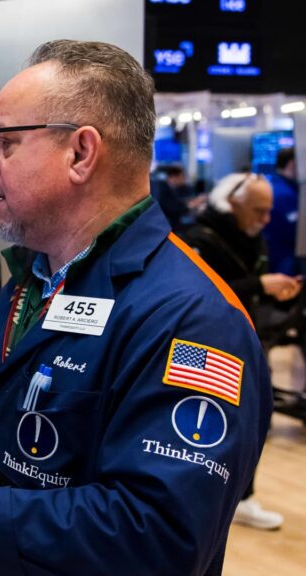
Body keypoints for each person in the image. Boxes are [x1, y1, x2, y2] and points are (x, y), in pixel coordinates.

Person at [0, 40, 271, 576]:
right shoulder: (31, 280)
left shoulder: (195, 320)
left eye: (5, 143)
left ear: (80, 153)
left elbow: (159, 540)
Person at [181, 172, 298, 531]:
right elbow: (199, 293)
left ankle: (241, 497)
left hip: (246, 341)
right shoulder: (199, 239)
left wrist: (272, 290)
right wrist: (258, 285)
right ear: (233, 204)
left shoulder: (253, 238)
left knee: (249, 422)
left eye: (268, 211)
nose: (266, 219)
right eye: (259, 211)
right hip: (207, 348)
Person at [263, 148, 299, 276]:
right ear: (292, 164)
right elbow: (296, 233)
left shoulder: (279, 186)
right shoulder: (282, 194)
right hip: (283, 262)